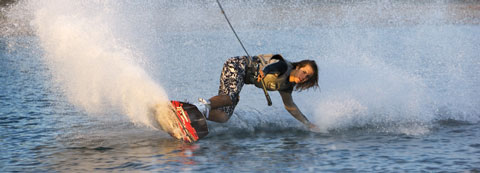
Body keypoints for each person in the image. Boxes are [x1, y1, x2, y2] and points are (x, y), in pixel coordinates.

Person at [196, 54, 319, 130]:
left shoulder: (287, 86)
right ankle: (200, 107)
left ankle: (194, 114)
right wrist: (265, 71)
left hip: (241, 78)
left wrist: (308, 124)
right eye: (304, 72)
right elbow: (274, 67)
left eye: (308, 77)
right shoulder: (284, 66)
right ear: (298, 67)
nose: (304, 77)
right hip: (238, 65)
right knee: (230, 97)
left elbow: (291, 107)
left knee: (224, 116)